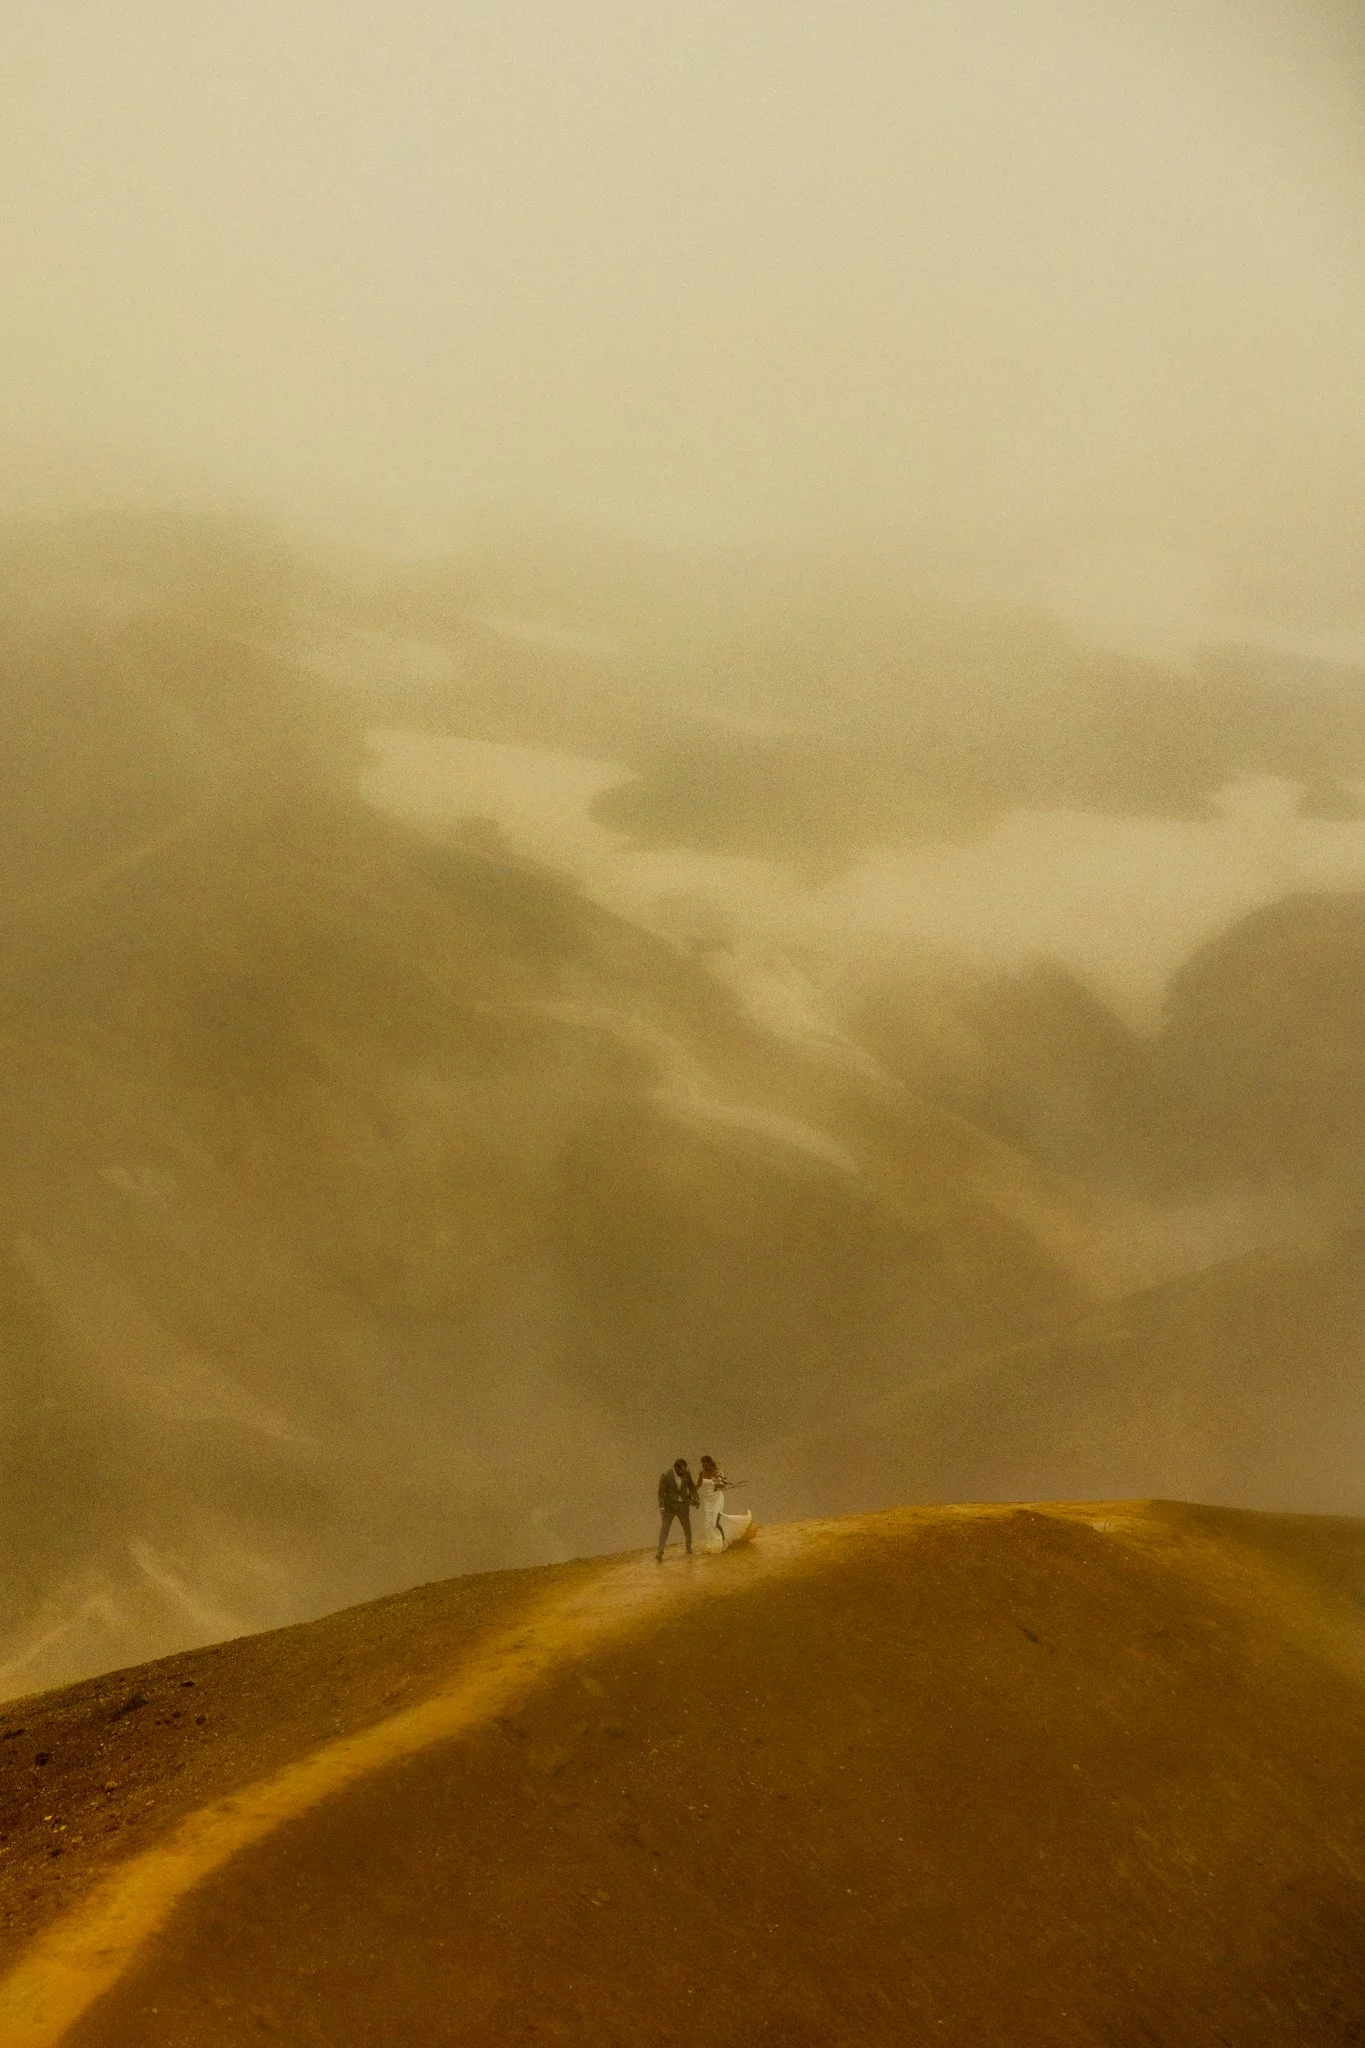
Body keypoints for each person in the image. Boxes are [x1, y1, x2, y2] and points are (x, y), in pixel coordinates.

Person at [656, 1458, 699, 1560]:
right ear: (675, 1468)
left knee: (687, 1527)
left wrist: (696, 1498)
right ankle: (660, 1551)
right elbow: (661, 1494)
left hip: (683, 1505)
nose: (682, 1473)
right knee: (665, 1529)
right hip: (669, 1506)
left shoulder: (686, 1473)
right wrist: (661, 1507)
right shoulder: (666, 1476)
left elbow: (692, 1487)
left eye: (684, 1470)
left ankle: (688, 1547)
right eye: (681, 1471)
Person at [697, 1454, 729, 1550]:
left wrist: (720, 1483)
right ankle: (712, 1544)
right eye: (702, 1465)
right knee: (708, 1523)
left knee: (715, 1522)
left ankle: (723, 1542)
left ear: (710, 1463)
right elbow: (698, 1485)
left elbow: (723, 1485)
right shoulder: (701, 1473)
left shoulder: (717, 1472)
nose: (703, 1467)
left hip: (717, 1499)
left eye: (705, 1465)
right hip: (707, 1500)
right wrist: (691, 1494)